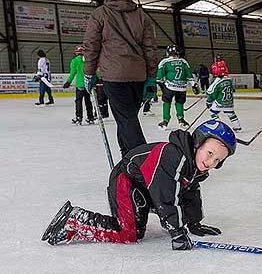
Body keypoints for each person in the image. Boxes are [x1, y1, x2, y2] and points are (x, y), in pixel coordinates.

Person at [41, 120, 236, 251]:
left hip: (144, 187)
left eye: (218, 160)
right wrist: (176, 231)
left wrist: (194, 222)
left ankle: (74, 224)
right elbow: (165, 196)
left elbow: (189, 193)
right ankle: (74, 219)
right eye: (210, 153)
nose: (211, 162)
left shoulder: (194, 167)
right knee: (128, 233)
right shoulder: (173, 157)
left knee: (139, 227)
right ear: (198, 144)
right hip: (126, 181)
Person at [83, 0, 158, 157]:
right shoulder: (142, 15)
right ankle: (128, 159)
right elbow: (150, 49)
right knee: (125, 119)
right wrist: (151, 77)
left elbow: (91, 45)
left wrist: (89, 73)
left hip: (114, 76)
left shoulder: (100, 13)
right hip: (138, 76)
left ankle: (143, 163)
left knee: (126, 119)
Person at [157, 44, 200, 130]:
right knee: (180, 103)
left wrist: (159, 83)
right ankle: (181, 120)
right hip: (182, 87)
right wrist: (193, 84)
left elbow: (160, 76)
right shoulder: (183, 62)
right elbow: (189, 75)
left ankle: (165, 121)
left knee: (166, 103)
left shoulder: (165, 62)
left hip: (169, 87)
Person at [206, 55, 241, 132]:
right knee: (231, 114)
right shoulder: (229, 80)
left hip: (220, 102)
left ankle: (219, 126)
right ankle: (237, 127)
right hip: (229, 102)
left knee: (213, 112)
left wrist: (209, 101)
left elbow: (212, 93)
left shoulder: (217, 82)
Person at [63, 45, 95, 125]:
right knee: (88, 101)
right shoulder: (88, 60)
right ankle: (90, 118)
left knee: (78, 101)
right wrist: (98, 79)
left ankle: (79, 117)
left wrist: (68, 82)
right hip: (88, 84)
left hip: (80, 84)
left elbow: (72, 73)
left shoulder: (75, 61)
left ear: (76, 52)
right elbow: (94, 70)